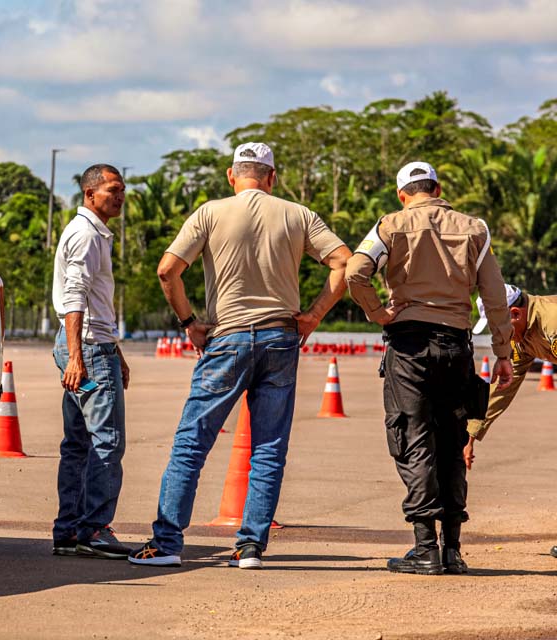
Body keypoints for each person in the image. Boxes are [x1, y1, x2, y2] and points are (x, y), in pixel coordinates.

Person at [128, 142, 351, 568]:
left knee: (192, 443)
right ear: (271, 177)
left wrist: (189, 322)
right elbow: (343, 261)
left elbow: (166, 270)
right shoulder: (297, 214)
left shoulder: (210, 213)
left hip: (226, 338)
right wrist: (314, 315)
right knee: (268, 447)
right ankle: (249, 546)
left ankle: (167, 543)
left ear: (232, 176)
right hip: (280, 339)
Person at [346, 161, 514, 575]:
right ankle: (453, 550)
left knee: (413, 439)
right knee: (451, 443)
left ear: (403, 194)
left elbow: (355, 271)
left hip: (408, 348)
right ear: (438, 188)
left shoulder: (390, 225)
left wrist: (378, 313)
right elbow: (493, 294)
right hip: (457, 347)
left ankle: (425, 549)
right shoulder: (475, 228)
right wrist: (504, 352)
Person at [50, 164, 131, 559]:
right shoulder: (85, 235)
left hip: (94, 347)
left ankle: (69, 531)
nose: (119, 197)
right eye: (112, 190)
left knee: (78, 444)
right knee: (107, 442)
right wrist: (79, 358)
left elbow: (95, 304)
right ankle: (94, 529)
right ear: (90, 193)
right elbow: (75, 297)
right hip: (87, 349)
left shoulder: (93, 232)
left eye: (122, 190)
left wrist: (115, 349)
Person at [467, 284, 557, 558]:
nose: (498, 337)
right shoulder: (523, 334)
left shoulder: (552, 324)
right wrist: (469, 436)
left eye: (498, 328)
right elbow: (502, 388)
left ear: (515, 314)